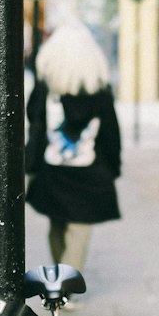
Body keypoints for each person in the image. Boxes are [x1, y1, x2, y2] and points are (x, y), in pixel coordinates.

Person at [26, 20, 121, 279]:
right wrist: (113, 167)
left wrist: (30, 164)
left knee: (56, 224)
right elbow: (111, 133)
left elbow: (34, 122)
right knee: (79, 230)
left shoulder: (46, 90)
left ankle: (59, 280)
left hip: (52, 168)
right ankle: (64, 287)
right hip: (88, 170)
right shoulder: (100, 92)